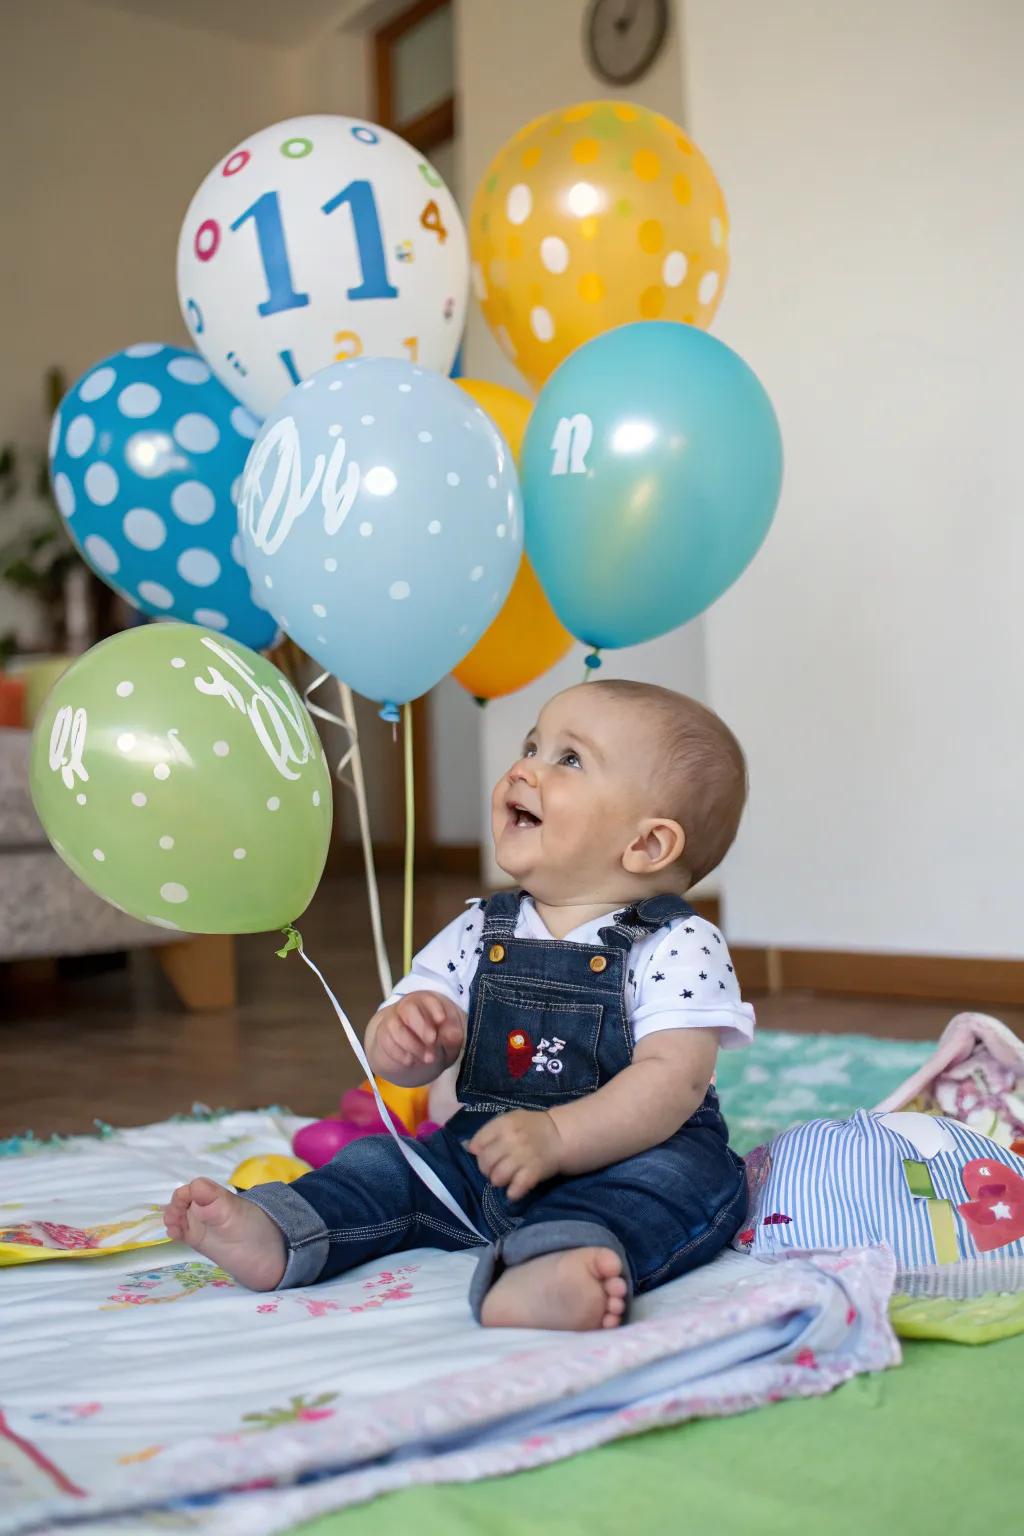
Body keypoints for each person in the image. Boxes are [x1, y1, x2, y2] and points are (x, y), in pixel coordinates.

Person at [164, 680, 754, 1331]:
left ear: (646, 845)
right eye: (534, 744)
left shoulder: (678, 942)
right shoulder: (482, 927)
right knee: (386, 1166)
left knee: (672, 1193)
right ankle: (284, 1231)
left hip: (633, 1154)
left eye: (569, 759)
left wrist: (559, 1138)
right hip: (486, 1151)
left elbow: (672, 1081)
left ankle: (553, 1268)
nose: (524, 766)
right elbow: (409, 1056)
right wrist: (404, 1037)